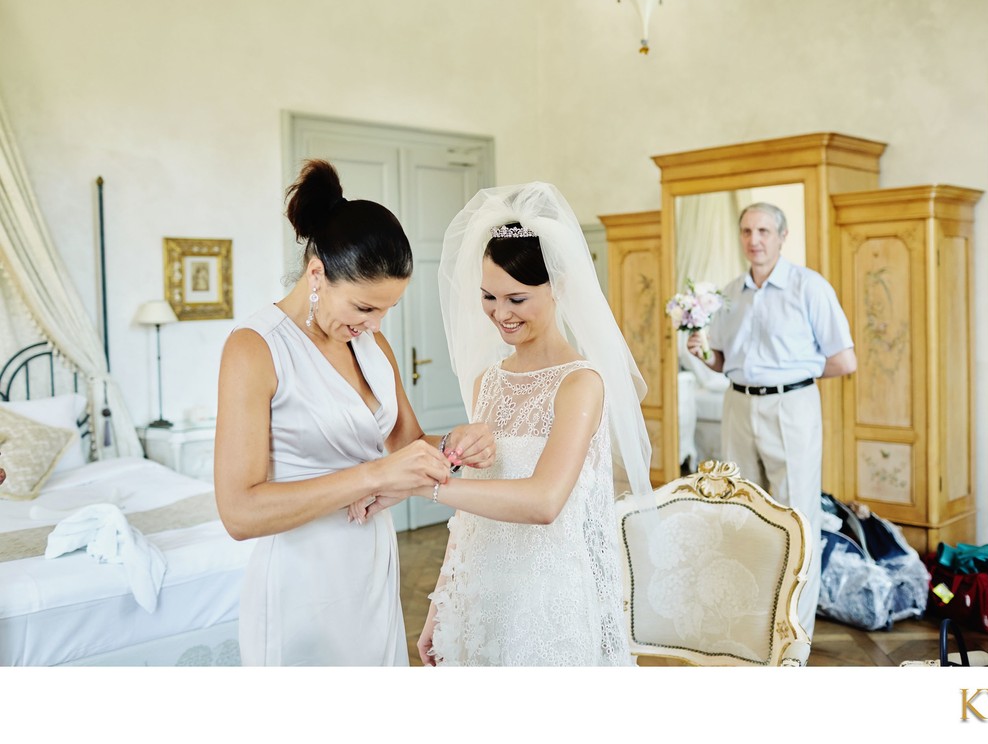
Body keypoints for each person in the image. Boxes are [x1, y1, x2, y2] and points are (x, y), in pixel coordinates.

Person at [213, 159, 496, 666]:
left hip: (372, 568)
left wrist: (458, 445)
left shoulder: (373, 345)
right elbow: (239, 512)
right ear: (317, 272)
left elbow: (408, 446)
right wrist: (373, 475)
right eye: (364, 308)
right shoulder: (255, 349)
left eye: (387, 309)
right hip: (301, 582)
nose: (375, 323)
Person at [361, 182, 653, 666]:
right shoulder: (487, 382)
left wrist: (419, 486)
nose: (500, 314)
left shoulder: (581, 384)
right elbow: (470, 514)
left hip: (548, 598)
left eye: (516, 299)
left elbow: (543, 501)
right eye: (489, 297)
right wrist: (442, 601)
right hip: (481, 589)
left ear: (557, 288)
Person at [686, 201, 856, 640]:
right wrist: (702, 352)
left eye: (763, 230)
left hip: (791, 407)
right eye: (746, 231)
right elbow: (722, 360)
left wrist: (792, 374)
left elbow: (844, 359)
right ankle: (754, 619)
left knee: (796, 513)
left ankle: (795, 631)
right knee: (743, 508)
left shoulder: (809, 287)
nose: (754, 239)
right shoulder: (728, 293)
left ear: (782, 236)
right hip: (738, 405)